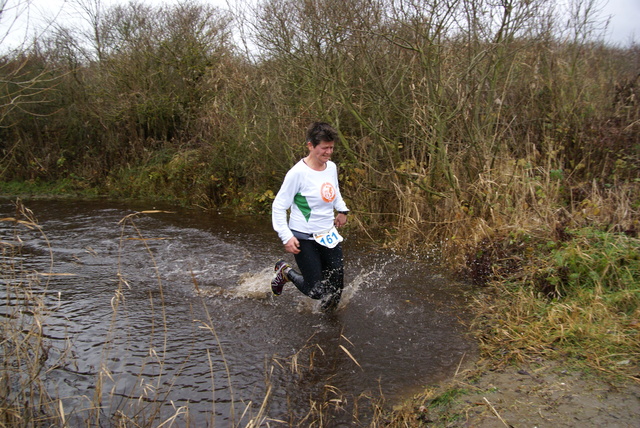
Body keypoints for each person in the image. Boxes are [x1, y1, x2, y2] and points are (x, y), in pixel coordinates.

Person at [271, 122, 349, 311]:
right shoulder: (297, 173)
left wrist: (342, 210)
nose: (328, 152)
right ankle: (286, 272)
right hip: (304, 237)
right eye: (324, 148)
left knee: (336, 288)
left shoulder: (331, 167)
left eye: (331, 148)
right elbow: (279, 206)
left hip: (327, 234)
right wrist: (286, 236)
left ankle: (328, 333)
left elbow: (334, 190)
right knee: (315, 290)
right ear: (310, 146)